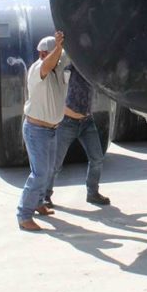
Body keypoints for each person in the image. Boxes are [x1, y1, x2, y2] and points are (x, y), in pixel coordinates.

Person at [16, 31, 68, 231]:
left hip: (51, 130)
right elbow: (49, 63)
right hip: (37, 130)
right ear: (44, 54)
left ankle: (38, 203)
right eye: (56, 54)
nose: (60, 58)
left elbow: (67, 58)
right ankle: (23, 214)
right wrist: (59, 47)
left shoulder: (58, 66)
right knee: (40, 174)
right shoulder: (39, 68)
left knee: (49, 171)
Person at [46, 62, 110, 207]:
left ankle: (92, 193)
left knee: (97, 159)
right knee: (56, 163)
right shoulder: (74, 64)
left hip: (87, 121)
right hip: (67, 122)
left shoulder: (94, 69)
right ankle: (45, 195)